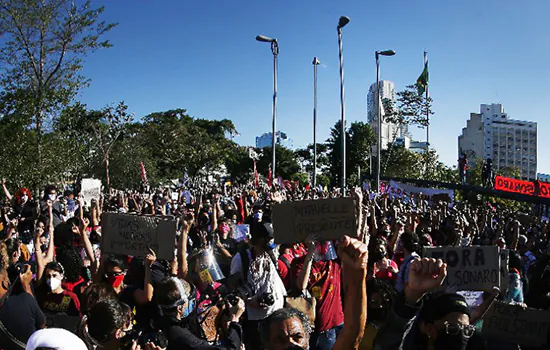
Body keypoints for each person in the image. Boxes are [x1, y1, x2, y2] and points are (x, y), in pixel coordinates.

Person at [261, 235, 369, 350]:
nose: (291, 345)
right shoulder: (299, 263)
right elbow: (301, 286)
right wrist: (310, 254)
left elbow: (352, 335)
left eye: (297, 337)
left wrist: (359, 271)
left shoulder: (333, 262)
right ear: (267, 346)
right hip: (320, 327)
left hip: (336, 323)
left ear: (307, 340)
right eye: (280, 340)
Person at [155, 276, 245, 349]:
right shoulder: (181, 336)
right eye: (190, 301)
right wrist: (235, 321)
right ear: (180, 307)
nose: (192, 303)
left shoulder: (159, 324)